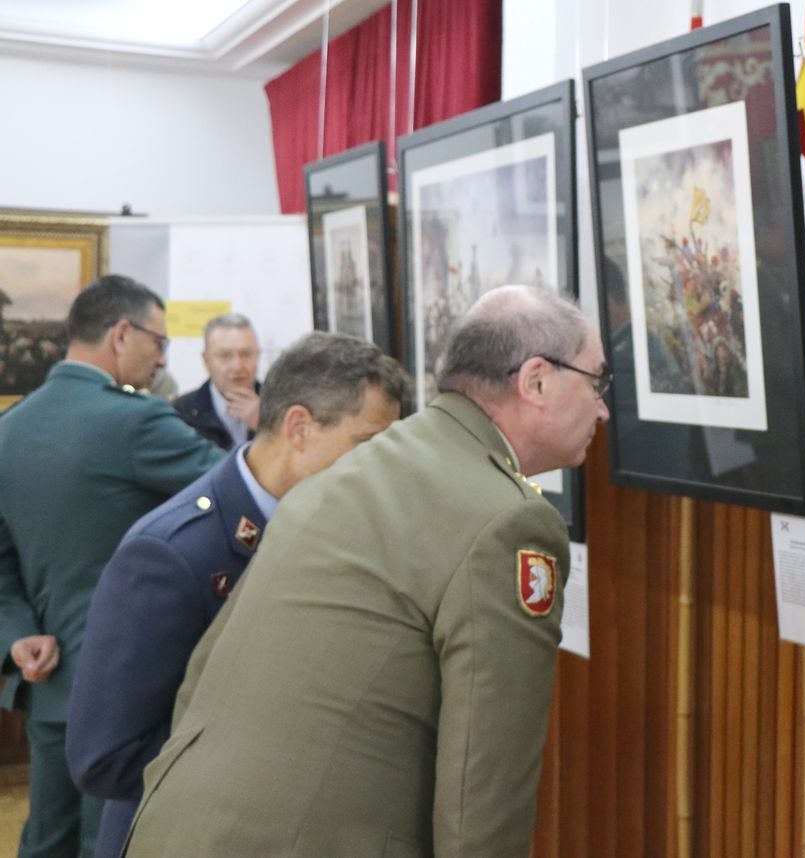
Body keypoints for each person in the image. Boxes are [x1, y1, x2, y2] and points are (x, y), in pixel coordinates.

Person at [122, 285, 610, 857]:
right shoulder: (508, 523)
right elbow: (483, 790)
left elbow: (203, 676)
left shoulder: (354, 469)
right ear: (536, 381)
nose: (602, 407)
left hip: (177, 828)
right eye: (596, 382)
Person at [65, 331, 410, 858]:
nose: (382, 469)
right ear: (299, 427)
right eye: (366, 445)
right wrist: (270, 758)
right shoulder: (172, 553)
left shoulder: (343, 528)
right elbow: (104, 756)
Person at [0, 274, 225, 858]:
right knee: (115, 841)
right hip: (129, 687)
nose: (160, 358)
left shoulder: (10, 429)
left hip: (47, 682)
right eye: (157, 341)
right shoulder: (135, 422)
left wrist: (20, 635)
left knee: (46, 840)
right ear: (121, 334)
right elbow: (241, 488)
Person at [174, 313, 261, 449]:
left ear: (257, 356)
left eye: (245, 354)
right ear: (206, 360)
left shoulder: (281, 406)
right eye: (225, 356)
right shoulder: (181, 413)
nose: (237, 366)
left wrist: (266, 426)